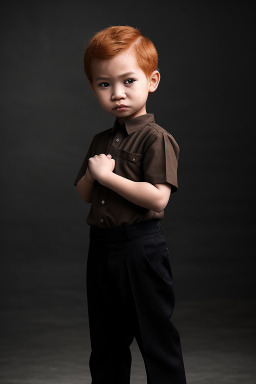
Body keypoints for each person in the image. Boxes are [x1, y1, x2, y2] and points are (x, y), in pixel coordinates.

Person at [74, 25, 186, 384]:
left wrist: (106, 177)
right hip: (102, 248)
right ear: (93, 86)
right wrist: (93, 176)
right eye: (104, 84)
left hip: (141, 249)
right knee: (105, 342)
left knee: (155, 338)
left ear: (151, 81)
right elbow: (83, 193)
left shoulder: (157, 138)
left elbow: (158, 197)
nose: (117, 93)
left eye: (128, 81)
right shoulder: (101, 139)